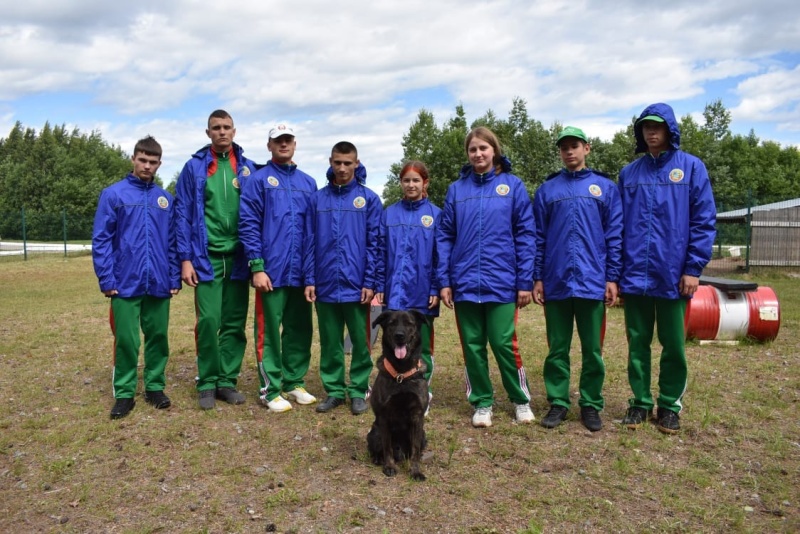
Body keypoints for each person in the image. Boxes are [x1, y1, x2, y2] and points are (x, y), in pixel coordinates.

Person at [619, 103, 716, 434]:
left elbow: (703, 221)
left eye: (657, 126)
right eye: (645, 126)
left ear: (670, 129)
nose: (651, 131)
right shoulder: (629, 173)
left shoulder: (691, 168)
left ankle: (670, 405)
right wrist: (617, 274)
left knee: (673, 344)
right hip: (634, 275)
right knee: (637, 341)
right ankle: (641, 403)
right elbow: (617, 227)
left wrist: (693, 268)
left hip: (674, 276)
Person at [436, 127, 536, 428]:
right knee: (473, 345)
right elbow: (444, 236)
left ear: (495, 151)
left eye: (483, 148)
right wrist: (445, 281)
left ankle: (520, 400)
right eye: (472, 149)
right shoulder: (457, 190)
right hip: (465, 283)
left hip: (502, 282)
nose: (478, 154)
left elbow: (526, 234)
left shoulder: (513, 186)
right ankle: (481, 402)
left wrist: (524, 281)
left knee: (504, 343)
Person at [532, 126, 623, 432]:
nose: (569, 151)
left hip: (592, 281)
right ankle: (558, 402)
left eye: (574, 146)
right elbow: (538, 238)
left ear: (587, 148)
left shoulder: (605, 189)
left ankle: (591, 404)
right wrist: (538, 277)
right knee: (557, 348)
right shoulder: (547, 191)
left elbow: (614, 235)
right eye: (563, 147)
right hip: (556, 281)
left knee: (592, 350)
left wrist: (612, 278)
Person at [92, 136, 181, 419]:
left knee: (158, 337)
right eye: (142, 160)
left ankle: (154, 387)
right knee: (127, 340)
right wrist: (107, 280)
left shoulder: (165, 199)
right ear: (133, 159)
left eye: (152, 162)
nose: (147, 166)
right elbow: (102, 240)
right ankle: (125, 393)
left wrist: (174, 277)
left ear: (159, 164)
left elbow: (172, 242)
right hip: (124, 283)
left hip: (158, 282)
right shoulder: (114, 195)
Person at [175, 110, 258, 410]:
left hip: (238, 258)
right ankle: (207, 381)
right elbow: (182, 214)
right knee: (209, 320)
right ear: (207, 132)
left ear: (235, 131)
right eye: (216, 128)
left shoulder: (247, 168)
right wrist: (185, 258)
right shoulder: (194, 168)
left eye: (226, 127)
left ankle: (227, 381)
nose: (222, 132)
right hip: (205, 256)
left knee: (235, 323)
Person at [239, 123, 318, 413]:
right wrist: (257, 267)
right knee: (269, 331)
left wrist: (311, 274)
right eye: (277, 141)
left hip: (300, 273)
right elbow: (248, 225)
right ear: (269, 146)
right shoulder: (258, 181)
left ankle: (294, 381)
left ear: (295, 144)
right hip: (270, 271)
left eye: (288, 140)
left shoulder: (308, 183)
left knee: (300, 329)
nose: (283, 145)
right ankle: (269, 388)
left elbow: (313, 232)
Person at [304, 141, 382, 415]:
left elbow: (375, 244)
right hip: (324, 284)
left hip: (357, 286)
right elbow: (309, 241)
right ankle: (335, 390)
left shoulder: (369, 200)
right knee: (330, 341)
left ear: (357, 164)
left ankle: (358, 390)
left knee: (361, 342)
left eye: (348, 163)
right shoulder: (317, 200)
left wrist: (370, 282)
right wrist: (310, 278)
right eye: (337, 162)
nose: (342, 168)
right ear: (330, 161)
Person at [376, 161, 441, 415]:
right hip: (393, 291)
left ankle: (421, 390)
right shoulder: (389, 214)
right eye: (406, 180)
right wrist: (380, 285)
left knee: (421, 344)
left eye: (416, 180)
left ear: (425, 183)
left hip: (422, 292)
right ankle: (392, 388)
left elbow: (440, 256)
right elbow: (381, 253)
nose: (411, 185)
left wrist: (436, 287)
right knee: (393, 341)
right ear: (400, 183)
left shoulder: (436, 215)